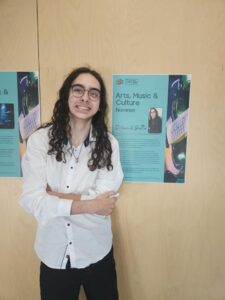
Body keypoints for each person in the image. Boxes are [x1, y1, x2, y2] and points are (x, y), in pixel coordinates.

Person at [19, 67, 123, 300]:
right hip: (54, 254)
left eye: (93, 93)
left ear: (99, 103)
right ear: (67, 95)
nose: (85, 97)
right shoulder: (39, 141)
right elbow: (31, 199)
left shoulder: (109, 145)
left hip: (97, 252)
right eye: (78, 90)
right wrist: (90, 204)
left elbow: (107, 199)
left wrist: (53, 196)